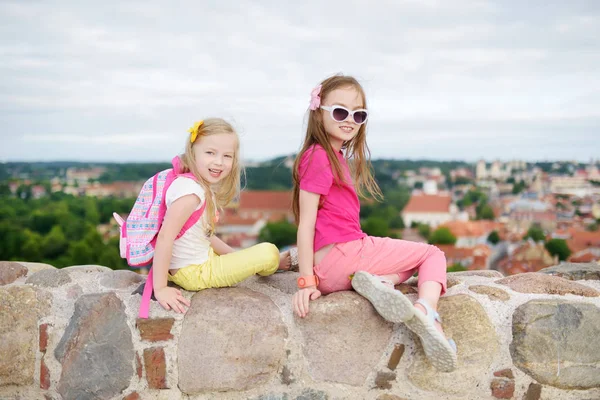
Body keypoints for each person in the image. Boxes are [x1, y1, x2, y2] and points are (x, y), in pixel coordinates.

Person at [291, 75, 457, 372]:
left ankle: (383, 282)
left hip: (333, 266)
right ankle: (428, 310)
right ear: (319, 111)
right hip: (341, 256)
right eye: (340, 112)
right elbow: (306, 224)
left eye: (358, 114)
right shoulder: (319, 156)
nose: (350, 120)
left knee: (408, 260)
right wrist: (305, 281)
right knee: (431, 254)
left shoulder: (330, 155)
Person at [152, 118, 291, 314]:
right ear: (192, 153)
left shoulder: (194, 185)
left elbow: (206, 236)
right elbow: (165, 236)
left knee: (253, 254)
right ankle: (270, 265)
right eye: (210, 153)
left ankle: (258, 262)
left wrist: (241, 260)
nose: (219, 162)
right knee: (269, 252)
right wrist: (160, 289)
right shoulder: (191, 194)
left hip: (194, 263)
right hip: (194, 273)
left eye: (227, 156)